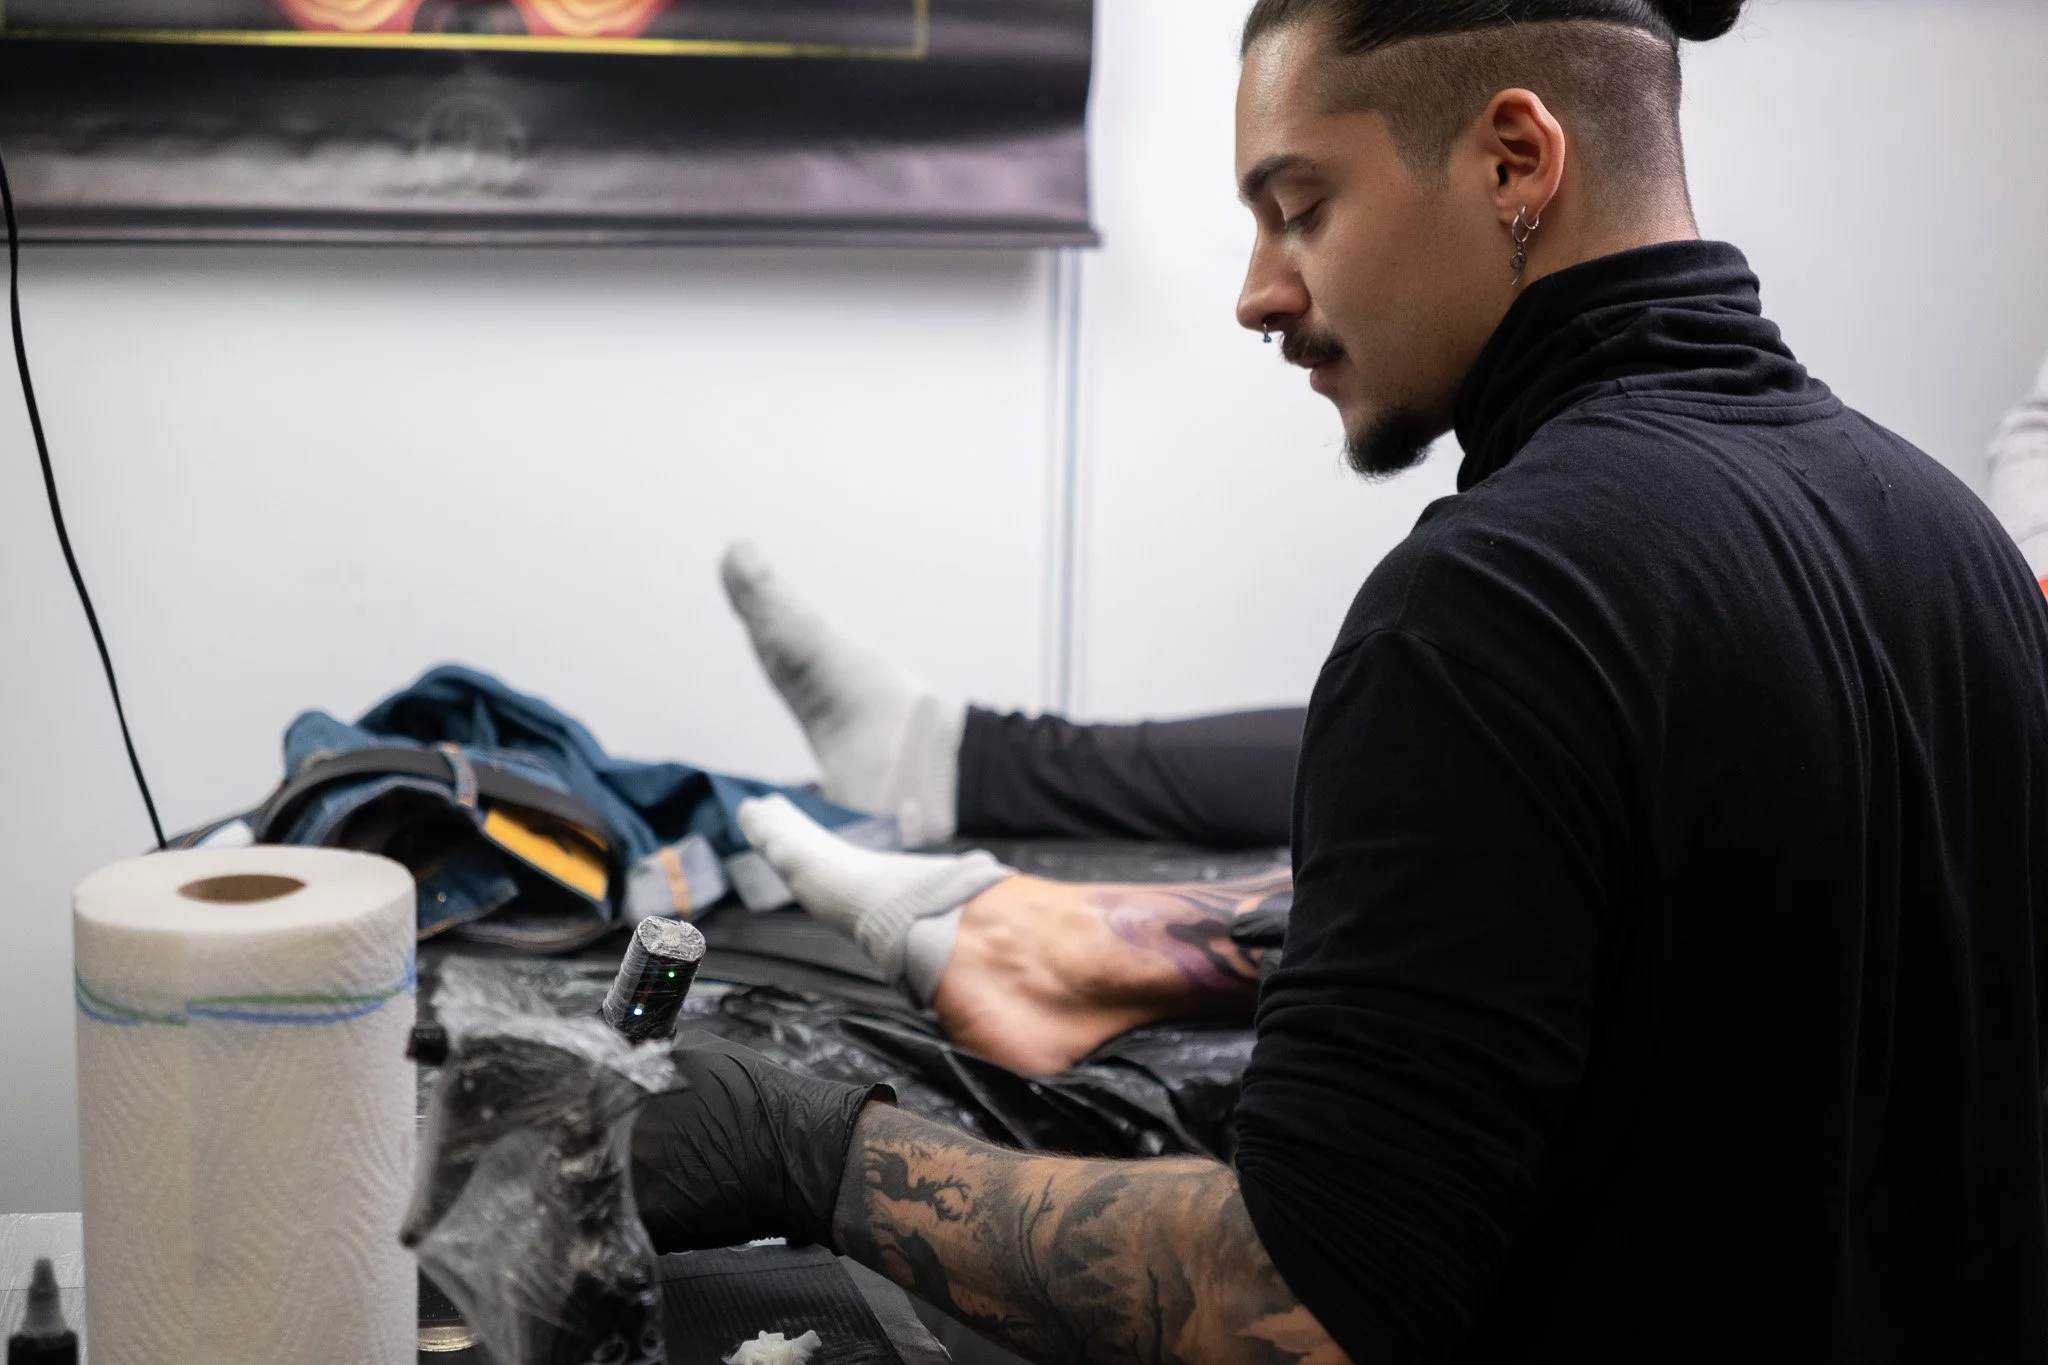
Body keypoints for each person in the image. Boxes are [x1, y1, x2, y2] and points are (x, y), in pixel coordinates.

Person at [634, 3, 2048, 1363]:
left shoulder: (1493, 605)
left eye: (1300, 207)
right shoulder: (1950, 538)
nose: (1260, 292)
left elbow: (1304, 1302)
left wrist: (809, 1149)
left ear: (1515, 161)